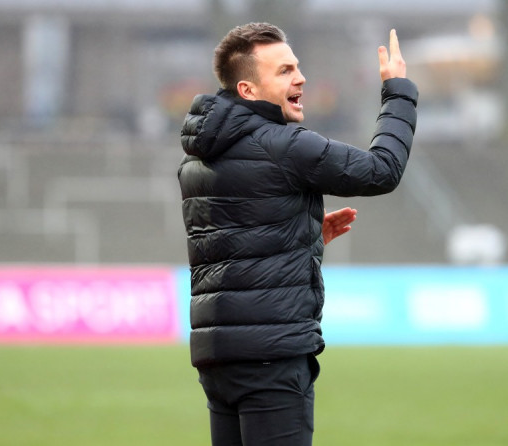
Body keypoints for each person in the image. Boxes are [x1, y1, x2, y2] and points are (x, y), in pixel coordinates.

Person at [178, 22, 417, 446]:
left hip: (217, 355)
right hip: (272, 354)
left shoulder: (196, 160)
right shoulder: (285, 145)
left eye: (298, 67)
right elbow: (382, 170)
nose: (301, 78)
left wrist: (303, 235)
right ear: (248, 89)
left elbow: (232, 244)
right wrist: (397, 91)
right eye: (285, 70)